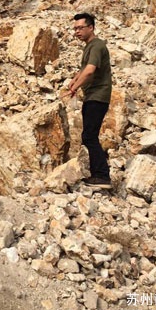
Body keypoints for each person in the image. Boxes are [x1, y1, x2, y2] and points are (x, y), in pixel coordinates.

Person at [69, 12, 112, 189]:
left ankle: (102, 176)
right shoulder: (90, 46)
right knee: (89, 135)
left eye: (80, 28)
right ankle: (99, 175)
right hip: (93, 95)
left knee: (89, 136)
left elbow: (90, 71)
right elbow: (83, 70)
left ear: (91, 27)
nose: (77, 32)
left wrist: (75, 87)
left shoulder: (96, 45)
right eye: (75, 29)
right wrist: (74, 79)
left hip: (97, 95)